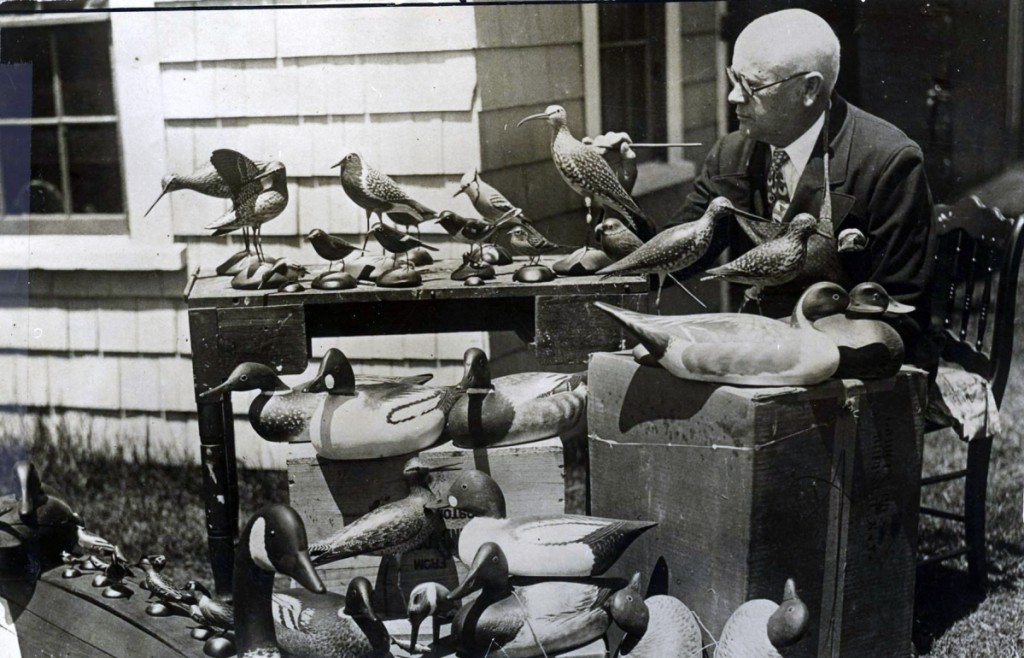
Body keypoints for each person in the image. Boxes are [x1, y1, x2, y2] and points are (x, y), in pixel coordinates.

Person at [591, 8, 938, 369]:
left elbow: (900, 312)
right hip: (760, 361)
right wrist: (615, 193)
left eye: (751, 85)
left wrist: (779, 354)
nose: (732, 97)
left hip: (860, 372)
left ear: (809, 89)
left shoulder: (887, 163)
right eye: (732, 78)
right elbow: (669, 260)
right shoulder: (732, 155)